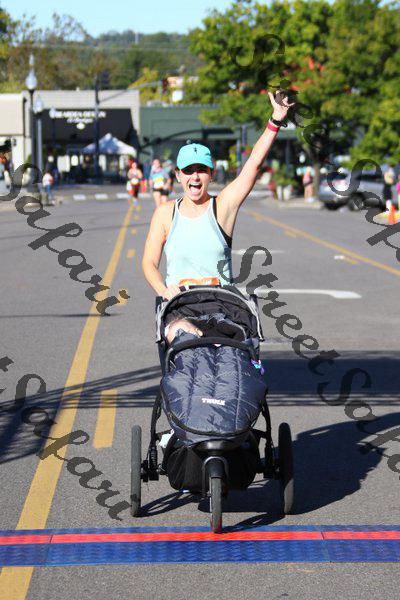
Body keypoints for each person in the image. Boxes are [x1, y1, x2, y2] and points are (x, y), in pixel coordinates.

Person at [142, 90, 294, 323]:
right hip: (179, 307)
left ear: (211, 174)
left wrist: (275, 121)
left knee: (233, 343)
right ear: (178, 175)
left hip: (221, 308)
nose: (195, 176)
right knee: (183, 339)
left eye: (201, 170)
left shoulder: (222, 207)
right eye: (188, 171)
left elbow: (253, 165)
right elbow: (149, 263)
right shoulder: (165, 213)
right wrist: (164, 290)